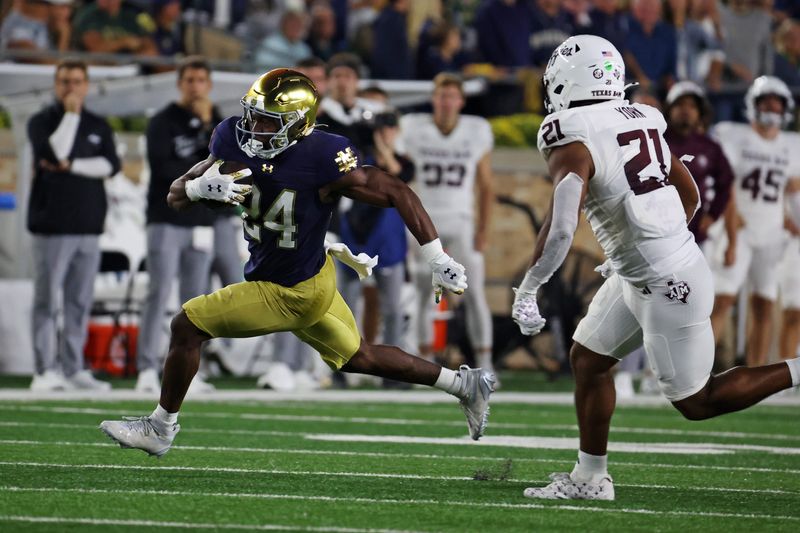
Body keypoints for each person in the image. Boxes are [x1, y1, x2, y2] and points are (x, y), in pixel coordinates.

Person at [100, 69, 495, 456]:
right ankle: (463, 385)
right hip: (308, 277)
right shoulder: (230, 139)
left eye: (267, 121)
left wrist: (437, 256)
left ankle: (160, 427)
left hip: (289, 291)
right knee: (360, 356)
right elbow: (173, 197)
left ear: (296, 125)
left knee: (187, 325)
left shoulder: (322, 157)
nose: (253, 127)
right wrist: (196, 186)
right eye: (251, 114)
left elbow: (396, 190)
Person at [512, 35, 800, 501]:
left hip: (666, 282)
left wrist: (529, 288)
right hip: (651, 270)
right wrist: (644, 248)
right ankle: (591, 478)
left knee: (696, 401)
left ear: (566, 80)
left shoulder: (571, 131)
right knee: (589, 360)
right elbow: (690, 196)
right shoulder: (639, 117)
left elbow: (562, 225)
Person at [28, 59, 121, 391]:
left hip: (89, 226)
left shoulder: (98, 123)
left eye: (77, 81)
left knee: (78, 302)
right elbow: (55, 152)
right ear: (56, 85)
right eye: (65, 81)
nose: (71, 87)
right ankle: (44, 369)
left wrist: (71, 166)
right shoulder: (41, 122)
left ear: (86, 84)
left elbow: (111, 165)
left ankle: (72, 368)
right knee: (46, 300)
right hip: (51, 225)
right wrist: (69, 116)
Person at [398, 73, 496, 381]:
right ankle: (425, 362)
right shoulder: (413, 128)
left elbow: (486, 186)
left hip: (462, 220)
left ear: (461, 101)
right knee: (423, 293)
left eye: (452, 96)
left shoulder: (476, 130)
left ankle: (486, 364)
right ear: (433, 99)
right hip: (423, 221)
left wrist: (483, 229)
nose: (446, 102)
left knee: (475, 294)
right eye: (441, 96)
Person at [136, 57, 222, 393]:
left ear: (209, 84)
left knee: (195, 301)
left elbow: (227, 165)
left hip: (202, 221)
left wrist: (205, 131)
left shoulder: (215, 122)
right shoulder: (162, 121)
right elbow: (164, 168)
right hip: (166, 218)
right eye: (189, 80)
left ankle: (191, 370)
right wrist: (202, 167)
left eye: (201, 80)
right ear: (180, 83)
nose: (195, 86)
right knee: (157, 292)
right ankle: (145, 366)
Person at [708, 76, 800, 368]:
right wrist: (732, 228)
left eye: (777, 102)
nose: (772, 107)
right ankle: (695, 371)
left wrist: (788, 216)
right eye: (766, 101)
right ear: (753, 105)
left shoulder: (792, 145)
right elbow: (727, 184)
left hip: (772, 232)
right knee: (722, 300)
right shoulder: (734, 135)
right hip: (740, 228)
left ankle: (757, 373)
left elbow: (792, 188)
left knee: (764, 303)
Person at [663, 81, 734, 249]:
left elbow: (726, 182)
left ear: (700, 113)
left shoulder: (710, 147)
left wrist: (713, 215)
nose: (686, 110)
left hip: (695, 235)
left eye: (692, 106)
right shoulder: (655, 140)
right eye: (680, 104)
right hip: (657, 231)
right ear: (669, 109)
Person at [72, 0, 158, 57]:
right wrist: (123, 42)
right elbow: (96, 50)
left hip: (130, 69)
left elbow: (150, 47)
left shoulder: (131, 15)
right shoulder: (89, 14)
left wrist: (137, 54)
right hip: (97, 70)